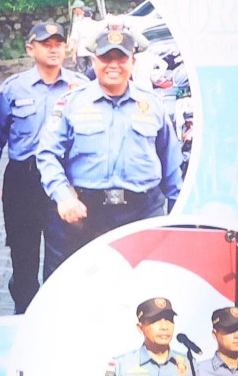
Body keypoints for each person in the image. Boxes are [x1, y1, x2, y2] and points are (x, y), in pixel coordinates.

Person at [35, 24, 182, 265]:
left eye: (121, 57)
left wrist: (177, 219)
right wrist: (63, 196)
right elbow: (47, 155)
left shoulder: (153, 105)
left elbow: (172, 165)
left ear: (133, 62)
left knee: (141, 293)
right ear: (94, 61)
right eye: (106, 57)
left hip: (143, 214)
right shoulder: (71, 103)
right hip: (85, 215)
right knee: (83, 292)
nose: (113, 64)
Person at [0, 23, 84, 312]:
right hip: (23, 182)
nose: (53, 48)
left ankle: (51, 318)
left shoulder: (81, 88)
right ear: (31, 49)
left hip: (65, 185)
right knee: (23, 256)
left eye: (58, 43)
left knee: (62, 256)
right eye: (45, 43)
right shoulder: (14, 89)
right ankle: (23, 317)